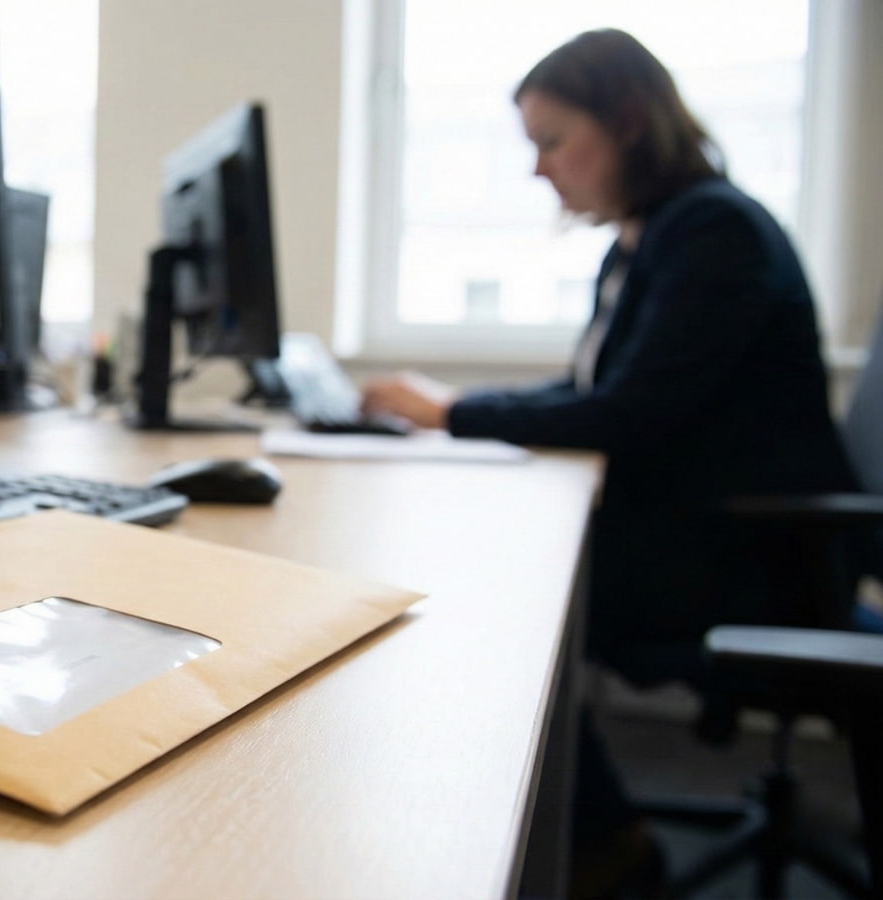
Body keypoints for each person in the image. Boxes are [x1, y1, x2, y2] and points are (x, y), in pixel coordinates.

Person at [360, 28, 858, 896]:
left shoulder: (714, 234)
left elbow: (627, 414)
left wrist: (453, 412)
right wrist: (458, 411)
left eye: (553, 142)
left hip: (753, 563)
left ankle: (590, 843)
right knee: (480, 566)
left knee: (482, 600)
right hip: (695, 531)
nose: (540, 171)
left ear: (628, 124)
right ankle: (582, 830)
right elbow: (598, 386)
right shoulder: (646, 240)